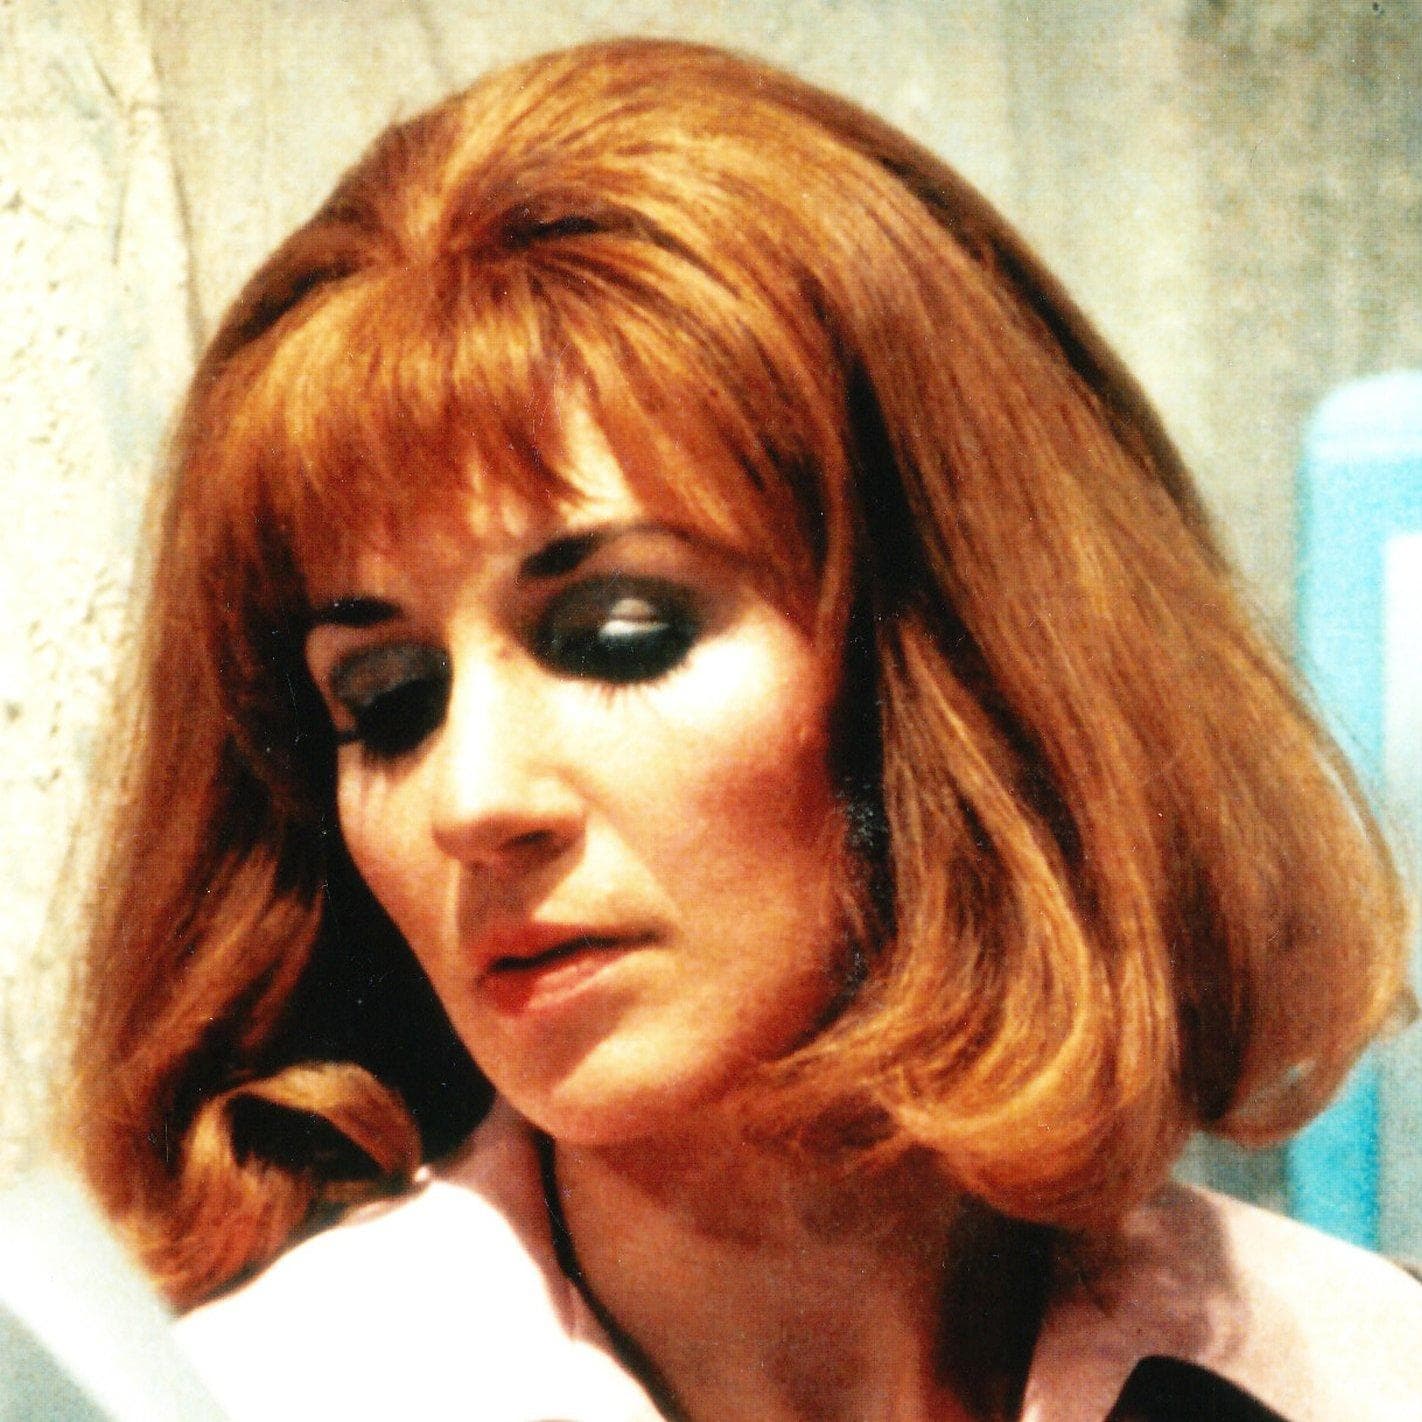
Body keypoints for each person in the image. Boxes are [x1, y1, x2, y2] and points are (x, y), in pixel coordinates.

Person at [59, 36, 1420, 1422]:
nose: (472, 798)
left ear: (954, 666)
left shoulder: (1356, 1366)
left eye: (618, 633)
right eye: (388, 701)